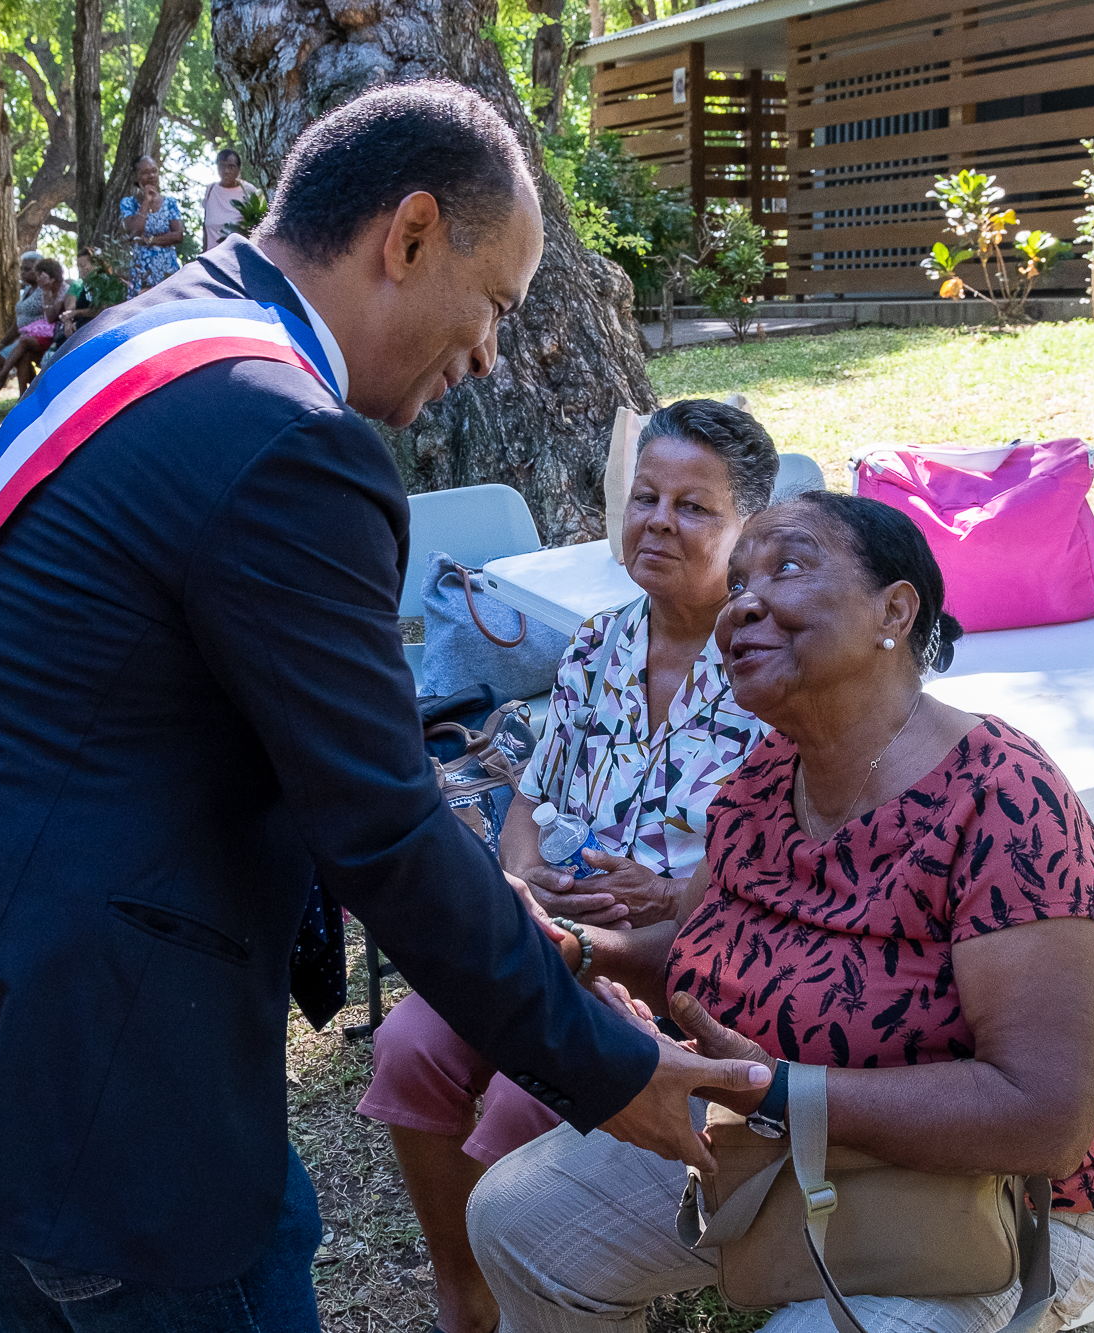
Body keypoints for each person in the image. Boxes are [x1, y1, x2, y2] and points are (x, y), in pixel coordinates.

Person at [0, 79, 766, 1333]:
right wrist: (607, 1066)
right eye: (492, 303)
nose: (486, 352)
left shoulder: (147, 341)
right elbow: (378, 825)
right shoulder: (287, 443)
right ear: (409, 235)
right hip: (108, 1092)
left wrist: (497, 905)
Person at [467, 491, 1094, 1333]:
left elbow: (1044, 1116)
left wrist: (777, 1088)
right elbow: (700, 941)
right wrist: (580, 947)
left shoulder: (1002, 798)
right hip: (779, 1140)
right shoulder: (761, 778)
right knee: (520, 1223)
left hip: (992, 1207)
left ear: (895, 609)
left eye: (786, 566)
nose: (743, 603)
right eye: (737, 581)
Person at [361, 398, 779, 1333]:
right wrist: (520, 874)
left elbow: (772, 871)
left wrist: (666, 896)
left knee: (523, 1091)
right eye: (645, 499)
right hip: (552, 933)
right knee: (409, 1045)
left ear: (748, 527)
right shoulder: (600, 642)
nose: (658, 523)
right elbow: (530, 795)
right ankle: (465, 1295)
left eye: (694, 507)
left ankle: (535, 1290)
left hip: (670, 959)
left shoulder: (771, 665)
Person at [0, 256, 70, 408]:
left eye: (28, 269)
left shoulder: (52, 290)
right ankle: (23, 399)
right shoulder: (28, 291)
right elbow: (19, 321)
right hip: (32, 337)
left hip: (51, 337)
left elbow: (51, 318)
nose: (23, 273)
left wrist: (44, 291)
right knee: (23, 356)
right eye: (22, 269)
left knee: (12, 351)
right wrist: (4, 341)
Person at [121, 155, 185, 295]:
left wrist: (150, 240)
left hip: (167, 269)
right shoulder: (128, 203)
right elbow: (135, 231)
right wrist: (146, 202)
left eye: (154, 171)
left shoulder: (169, 203)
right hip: (142, 271)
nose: (151, 175)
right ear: (135, 176)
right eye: (145, 172)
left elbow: (178, 236)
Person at [203, 149, 264, 251]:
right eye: (222, 166)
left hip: (239, 256)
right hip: (212, 256)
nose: (226, 171)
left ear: (238, 169)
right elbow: (205, 225)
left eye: (231, 166)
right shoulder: (210, 190)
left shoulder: (249, 190)